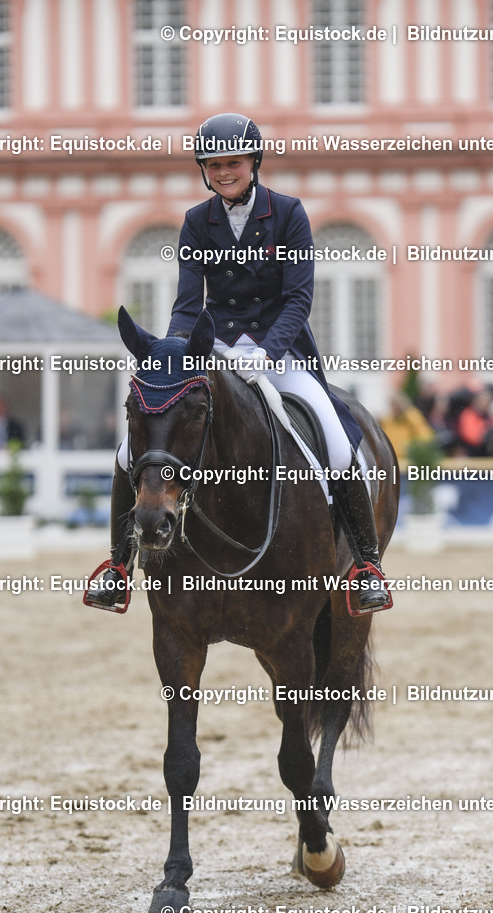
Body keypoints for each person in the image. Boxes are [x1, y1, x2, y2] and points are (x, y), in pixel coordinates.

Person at [88, 112, 390, 613]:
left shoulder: (289, 214)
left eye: (233, 162)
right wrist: (176, 353)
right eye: (214, 164)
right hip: (215, 350)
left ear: (253, 162)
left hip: (281, 350)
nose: (224, 171)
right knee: (129, 451)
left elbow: (298, 299)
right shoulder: (195, 221)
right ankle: (119, 565)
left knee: (338, 443)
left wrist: (268, 351)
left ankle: (366, 566)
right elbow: (188, 303)